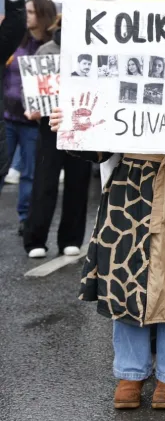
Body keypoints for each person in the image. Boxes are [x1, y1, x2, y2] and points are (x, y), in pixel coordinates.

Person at [50, 104, 165, 410]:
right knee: (125, 280)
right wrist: (72, 124)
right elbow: (99, 148)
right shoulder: (122, 69)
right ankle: (130, 373)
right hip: (128, 189)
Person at [23, 15, 93, 259]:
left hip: (81, 124)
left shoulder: (92, 52)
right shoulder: (47, 50)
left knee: (78, 182)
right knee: (45, 182)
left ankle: (71, 239)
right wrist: (29, 105)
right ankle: (34, 240)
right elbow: (30, 86)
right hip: (49, 125)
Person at [1, 0, 57, 235]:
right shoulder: (18, 41)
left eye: (31, 12)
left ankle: (25, 218)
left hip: (32, 122)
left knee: (29, 174)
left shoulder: (49, 46)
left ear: (43, 15)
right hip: (8, 116)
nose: (27, 16)